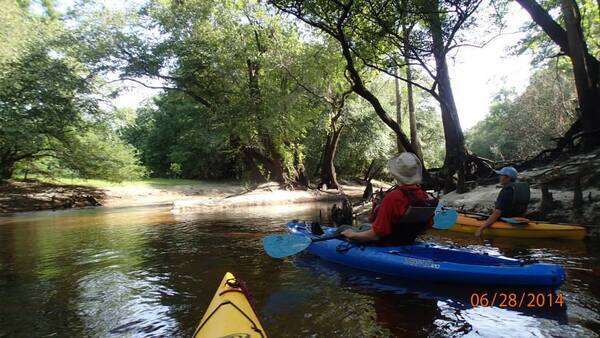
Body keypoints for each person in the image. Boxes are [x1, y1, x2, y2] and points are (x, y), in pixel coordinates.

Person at [341, 152, 436, 244]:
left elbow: (376, 235)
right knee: (364, 226)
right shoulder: (426, 197)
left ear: (396, 174)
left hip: (387, 243)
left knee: (344, 228)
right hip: (408, 241)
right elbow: (428, 225)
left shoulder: (392, 198)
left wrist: (352, 235)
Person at [475, 166, 530, 237]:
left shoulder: (506, 191)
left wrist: (481, 229)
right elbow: (523, 207)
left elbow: (497, 213)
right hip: (519, 217)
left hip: (508, 219)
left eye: (501, 175)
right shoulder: (519, 188)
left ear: (508, 178)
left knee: (494, 212)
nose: (499, 177)